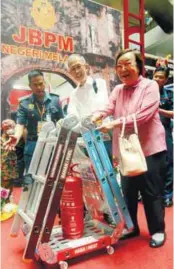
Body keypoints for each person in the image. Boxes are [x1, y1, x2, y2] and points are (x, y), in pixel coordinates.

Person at [92, 49, 167, 248]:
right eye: (119, 66)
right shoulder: (118, 90)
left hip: (149, 148)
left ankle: (157, 230)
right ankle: (132, 227)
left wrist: (114, 123)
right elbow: (108, 107)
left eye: (128, 64)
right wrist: (95, 116)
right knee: (128, 192)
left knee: (151, 192)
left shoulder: (150, 86)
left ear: (140, 67)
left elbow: (144, 115)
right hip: (126, 150)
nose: (123, 69)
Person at [4, 70, 64, 185]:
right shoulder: (24, 103)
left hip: (51, 144)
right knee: (30, 180)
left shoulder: (55, 100)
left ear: (44, 83)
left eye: (41, 83)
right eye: (35, 85)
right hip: (32, 145)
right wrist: (16, 136)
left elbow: (61, 121)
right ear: (30, 86)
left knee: (50, 178)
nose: (39, 87)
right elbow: (20, 124)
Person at [67, 54, 112, 159]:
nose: (77, 71)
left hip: (104, 136)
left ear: (86, 67)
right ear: (70, 73)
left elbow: (104, 107)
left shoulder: (100, 84)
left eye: (78, 66)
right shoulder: (73, 94)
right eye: (73, 69)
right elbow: (72, 113)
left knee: (109, 169)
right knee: (92, 172)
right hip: (87, 140)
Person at [153, 65, 173, 207]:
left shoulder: (169, 94)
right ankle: (153, 194)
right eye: (156, 76)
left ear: (166, 80)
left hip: (165, 131)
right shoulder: (146, 92)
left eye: (161, 77)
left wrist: (158, 109)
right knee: (151, 164)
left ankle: (167, 195)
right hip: (148, 132)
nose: (157, 79)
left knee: (168, 163)